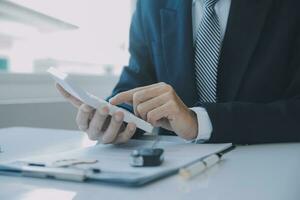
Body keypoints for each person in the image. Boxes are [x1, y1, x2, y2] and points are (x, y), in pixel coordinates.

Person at [57, 0, 300, 145]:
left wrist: (199, 122)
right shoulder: (151, 5)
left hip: (266, 172)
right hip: (173, 178)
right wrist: (115, 120)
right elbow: (133, 88)